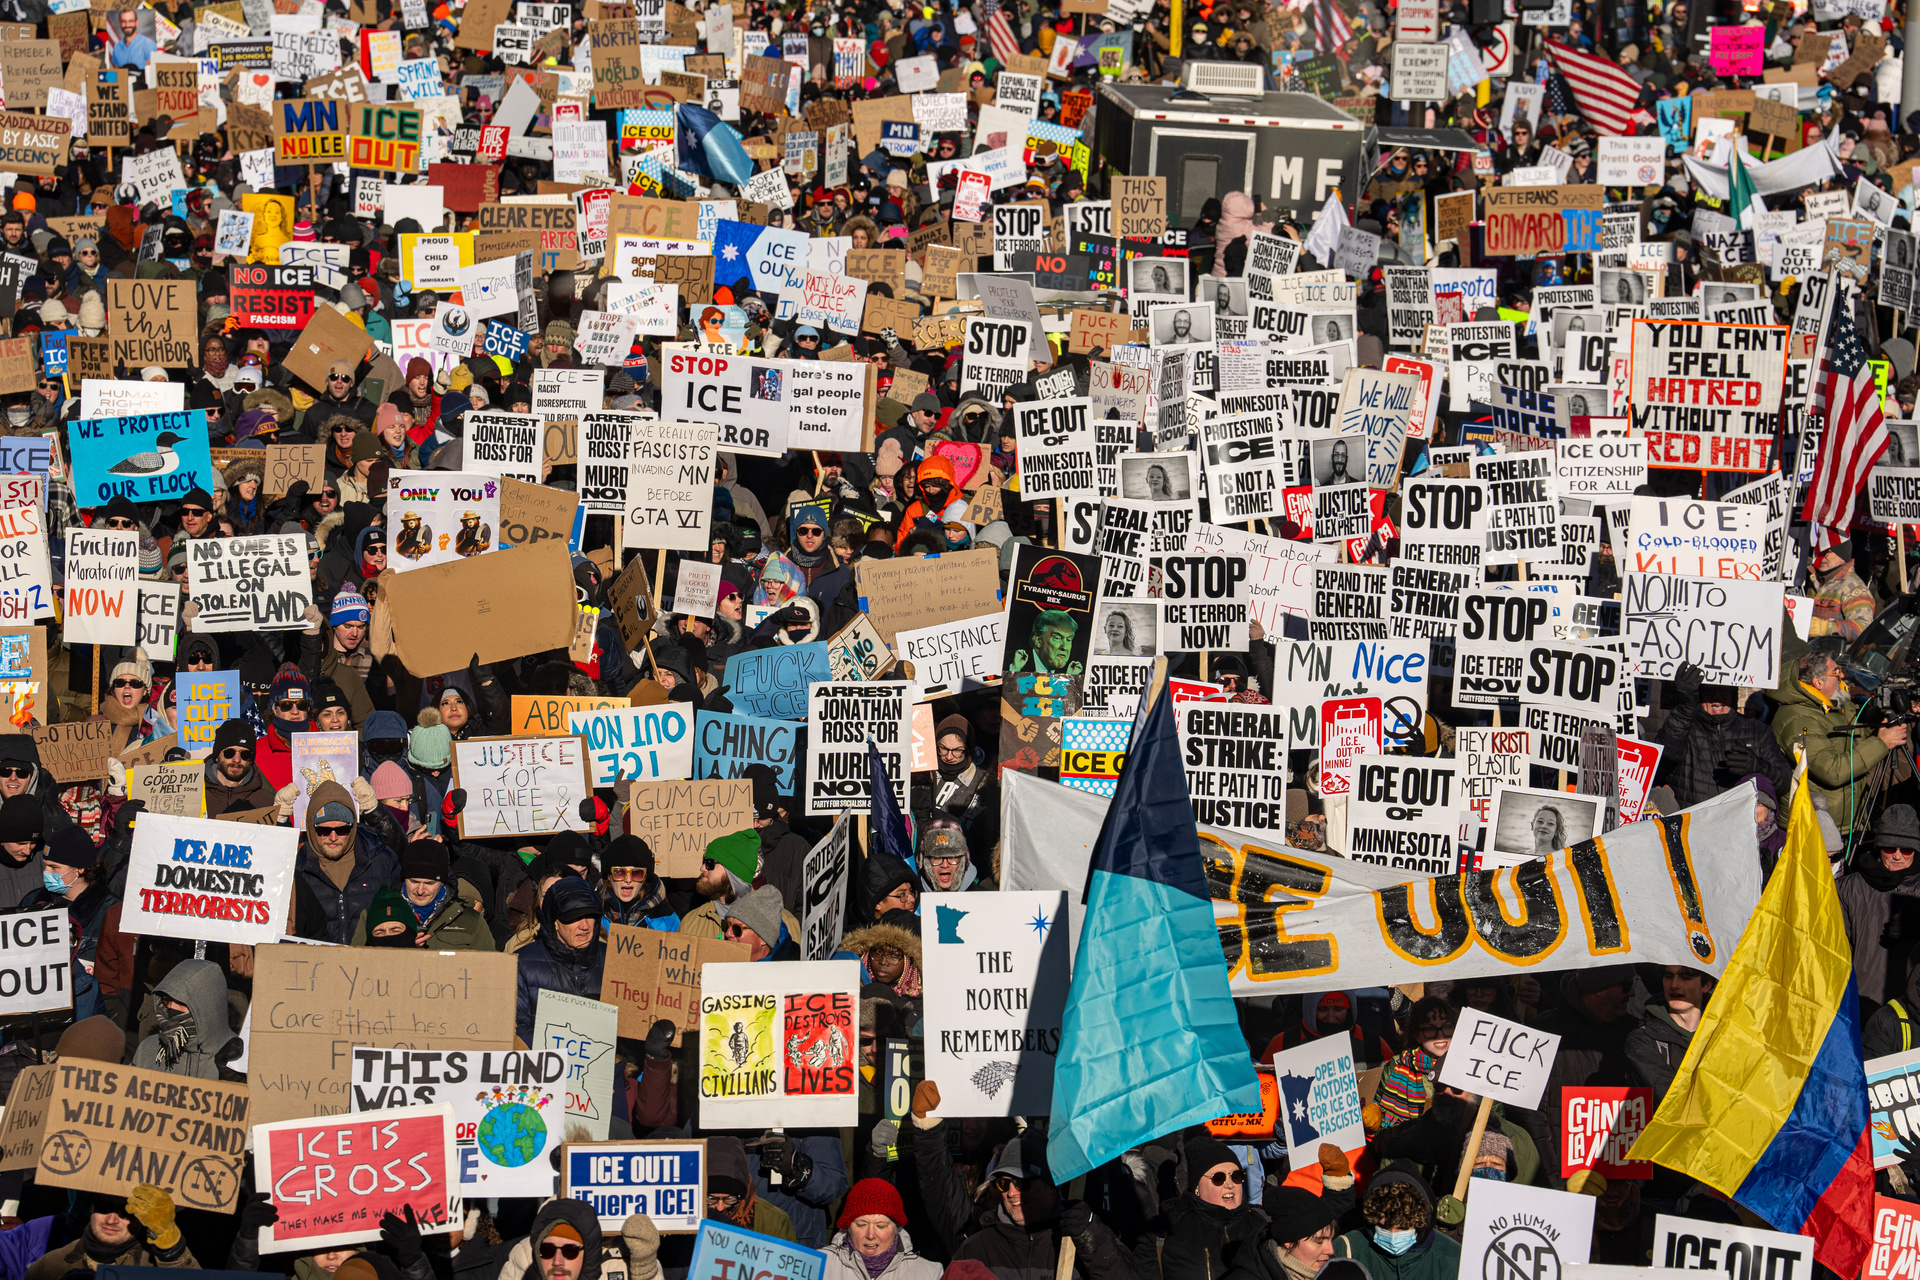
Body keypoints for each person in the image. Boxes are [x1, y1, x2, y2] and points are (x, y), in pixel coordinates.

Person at [1771, 648, 1901, 835]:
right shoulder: (1799, 719)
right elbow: (1832, 771)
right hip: (1817, 826)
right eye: (1836, 671)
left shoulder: (1833, 704)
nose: (1842, 675)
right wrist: (1882, 743)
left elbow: (1855, 737)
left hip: (1845, 819)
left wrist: (1880, 714)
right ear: (1818, 682)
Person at [1653, 663, 1795, 809]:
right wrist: (1684, 711)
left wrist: (1759, 768)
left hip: (1741, 819)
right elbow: (1661, 763)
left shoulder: (1758, 731)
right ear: (1699, 694)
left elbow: (1785, 782)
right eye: (1709, 691)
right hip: (1693, 820)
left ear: (1734, 695)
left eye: (1724, 691)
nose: (1717, 697)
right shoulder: (1683, 726)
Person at [514, 876, 606, 1045]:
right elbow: (517, 1027)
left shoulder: (612, 960)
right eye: (574, 918)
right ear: (555, 922)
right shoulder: (521, 964)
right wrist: (561, 1050)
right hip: (545, 1059)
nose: (585, 926)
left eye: (590, 915)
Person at [1625, 965, 1716, 1106]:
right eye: (1668, 976)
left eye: (1685, 977)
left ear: (1706, 985)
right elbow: (1672, 1099)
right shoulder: (1642, 1040)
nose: (1674, 985)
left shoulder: (1726, 1033)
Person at [822, 1180, 941, 1280]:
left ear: (896, 1229)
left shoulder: (929, 1274)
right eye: (861, 1225)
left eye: (881, 1226)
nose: (870, 1235)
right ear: (848, 1227)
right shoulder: (819, 1265)